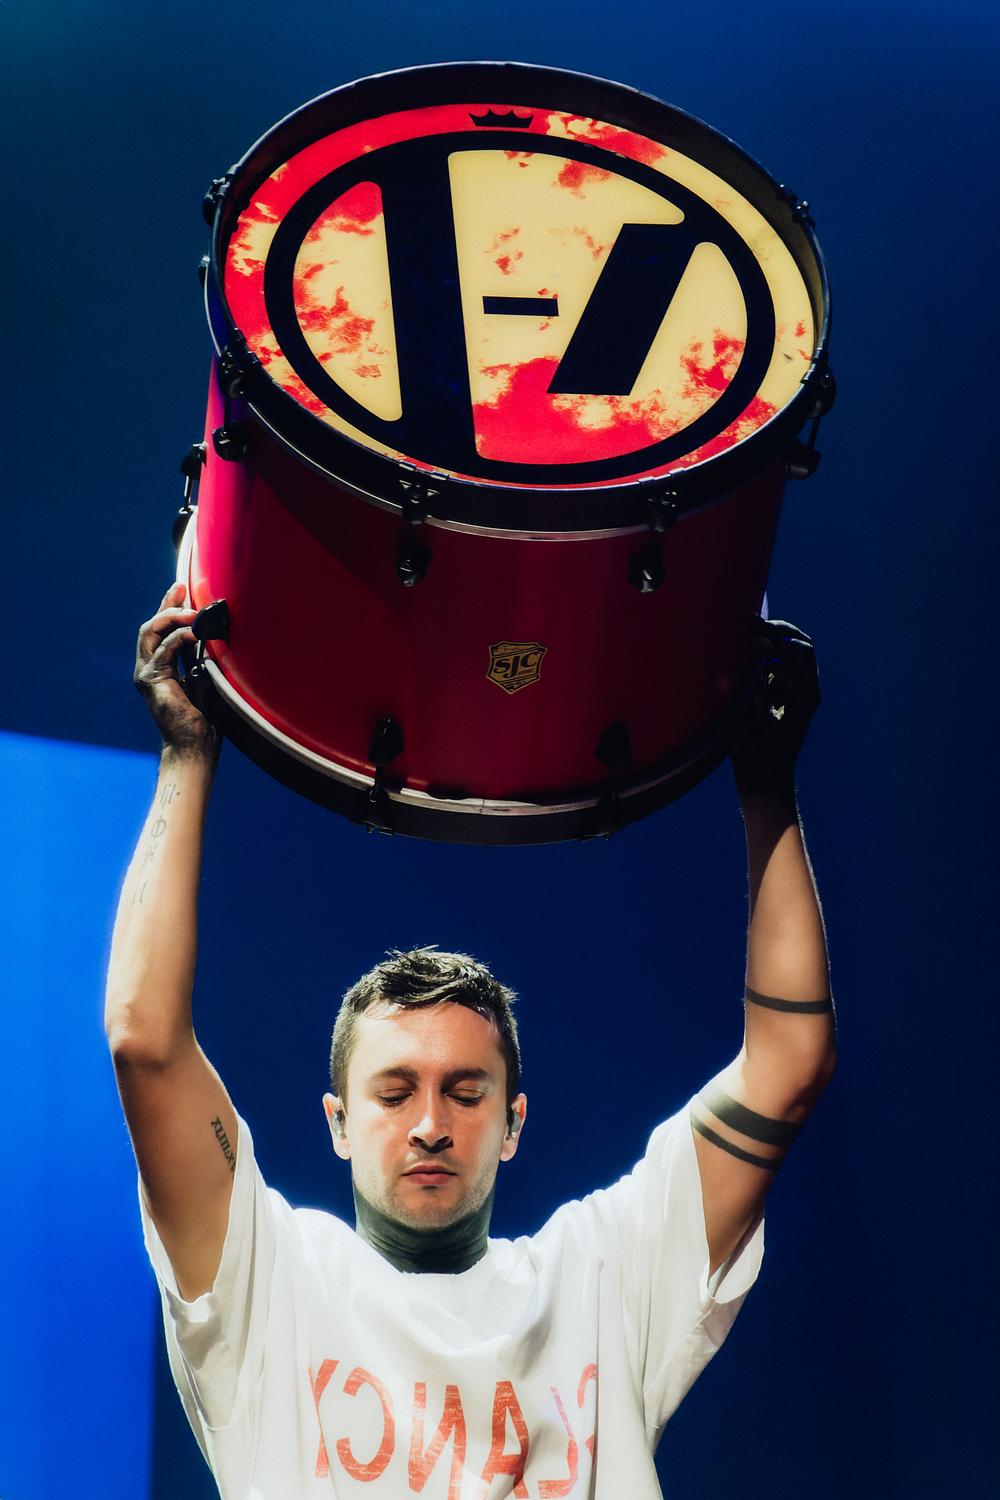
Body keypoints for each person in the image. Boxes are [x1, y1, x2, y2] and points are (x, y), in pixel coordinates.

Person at [105, 582, 836, 1499]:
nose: (429, 1124)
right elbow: (144, 1042)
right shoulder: (270, 1282)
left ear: (514, 1122)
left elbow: (787, 1065)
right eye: (392, 1091)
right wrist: (187, 755)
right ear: (337, 1122)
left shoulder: (600, 1278)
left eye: (465, 1091)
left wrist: (767, 786)